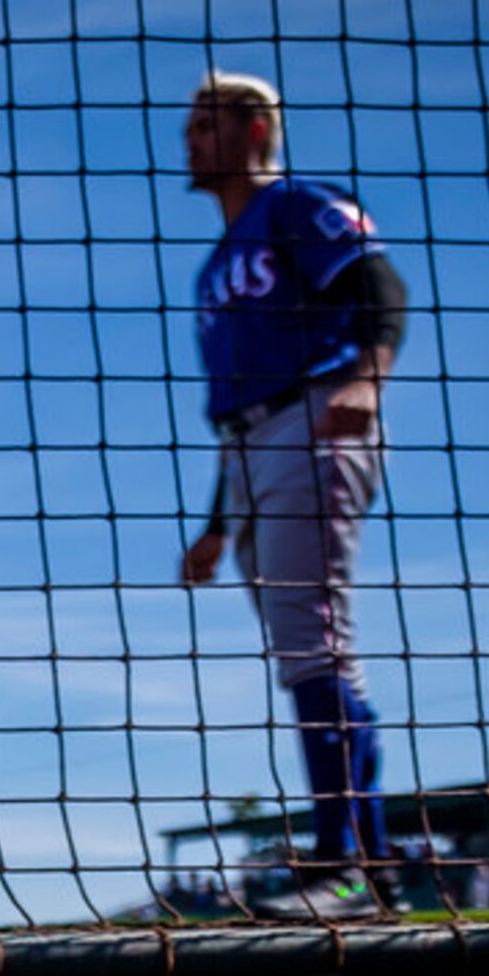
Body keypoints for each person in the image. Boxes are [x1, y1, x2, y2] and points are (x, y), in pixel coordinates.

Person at [174, 73, 408, 923]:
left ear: (256, 127)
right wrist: (213, 523)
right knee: (309, 654)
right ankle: (364, 866)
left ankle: (346, 867)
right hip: (252, 447)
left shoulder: (299, 205)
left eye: (206, 125)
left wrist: (369, 381)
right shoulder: (214, 262)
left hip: (315, 418)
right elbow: (241, 401)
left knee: (316, 648)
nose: (189, 141)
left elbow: (380, 289)